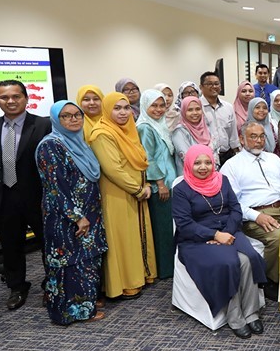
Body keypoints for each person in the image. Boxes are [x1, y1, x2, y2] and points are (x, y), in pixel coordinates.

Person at [172, 145, 267, 338]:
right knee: (230, 263)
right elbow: (185, 224)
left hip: (228, 230)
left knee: (250, 258)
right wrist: (214, 235)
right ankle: (235, 317)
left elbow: (235, 209)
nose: (203, 167)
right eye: (197, 163)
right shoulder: (181, 190)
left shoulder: (222, 180)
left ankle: (251, 313)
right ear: (189, 164)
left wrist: (226, 233)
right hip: (196, 239)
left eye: (207, 162)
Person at [0, 79, 51, 310]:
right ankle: (17, 286)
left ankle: (52, 285)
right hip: (3, 198)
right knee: (10, 246)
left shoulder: (44, 124)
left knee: (48, 243)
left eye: (16, 96)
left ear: (26, 98)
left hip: (39, 198)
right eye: (4, 97)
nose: (10, 101)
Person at [35, 101, 107, 325]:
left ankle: (86, 302)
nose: (73, 119)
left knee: (86, 260)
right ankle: (71, 312)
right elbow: (56, 187)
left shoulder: (78, 142)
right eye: (66, 116)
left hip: (88, 212)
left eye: (77, 115)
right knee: (70, 262)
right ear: (56, 120)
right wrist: (77, 217)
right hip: (65, 217)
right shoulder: (51, 146)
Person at [87, 92, 156, 299]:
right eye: (116, 108)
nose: (123, 113)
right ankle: (125, 283)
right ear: (107, 109)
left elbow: (139, 161)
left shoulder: (128, 130)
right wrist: (138, 189)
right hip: (118, 193)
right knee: (122, 239)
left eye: (126, 108)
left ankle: (139, 275)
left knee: (135, 235)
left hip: (135, 191)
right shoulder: (102, 133)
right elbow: (113, 169)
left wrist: (144, 185)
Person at [220, 122, 280, 297]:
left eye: (262, 136)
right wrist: (257, 216)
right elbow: (233, 203)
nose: (259, 141)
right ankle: (270, 280)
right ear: (242, 139)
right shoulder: (231, 166)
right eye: (253, 136)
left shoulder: (274, 159)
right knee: (278, 237)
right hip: (256, 215)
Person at [136, 89, 176, 279]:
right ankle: (165, 269)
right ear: (145, 106)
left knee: (168, 226)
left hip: (169, 181)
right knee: (163, 229)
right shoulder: (145, 128)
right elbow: (148, 159)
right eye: (154, 105)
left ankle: (170, 266)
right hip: (159, 186)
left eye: (162, 105)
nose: (159, 109)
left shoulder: (159, 125)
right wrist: (160, 183)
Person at [172, 96, 218, 175]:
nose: (195, 113)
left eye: (198, 109)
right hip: (190, 177)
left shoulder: (207, 128)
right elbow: (187, 157)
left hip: (210, 175)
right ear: (183, 111)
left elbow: (215, 152)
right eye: (190, 110)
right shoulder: (179, 131)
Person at [201, 72, 239, 165]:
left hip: (227, 155)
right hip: (206, 157)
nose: (214, 86)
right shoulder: (197, 107)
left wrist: (237, 153)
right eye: (209, 84)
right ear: (201, 87)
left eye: (216, 84)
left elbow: (233, 134)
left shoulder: (228, 107)